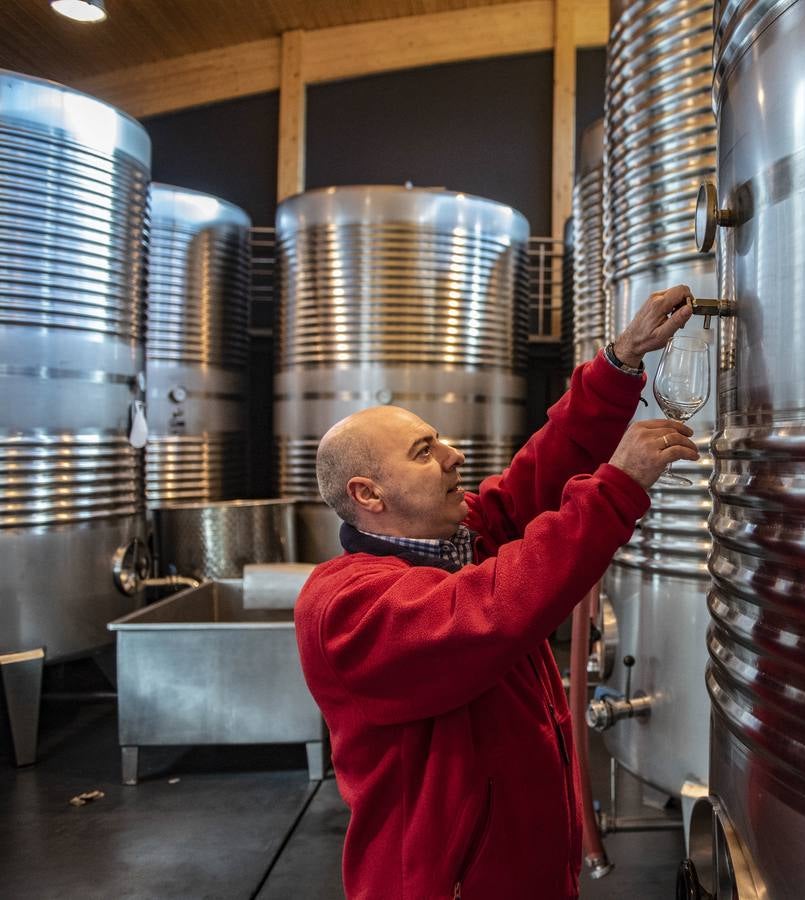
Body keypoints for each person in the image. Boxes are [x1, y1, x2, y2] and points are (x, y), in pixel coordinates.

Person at [293, 285, 699, 900]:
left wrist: (620, 361)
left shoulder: (462, 539)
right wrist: (617, 488)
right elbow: (490, 610)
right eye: (425, 452)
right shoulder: (347, 609)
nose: (456, 456)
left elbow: (539, 474)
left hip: (528, 872)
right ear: (368, 495)